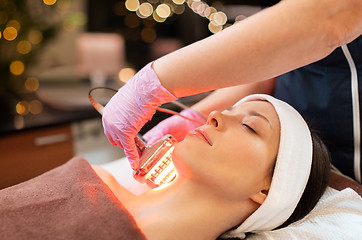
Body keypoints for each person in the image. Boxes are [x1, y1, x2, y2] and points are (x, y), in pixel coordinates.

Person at [1, 95, 331, 239]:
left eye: (250, 127)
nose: (215, 115)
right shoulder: (97, 178)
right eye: (229, 109)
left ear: (268, 190)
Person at [101, 0, 362, 176]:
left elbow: (331, 16)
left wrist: (151, 84)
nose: (217, 117)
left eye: (250, 127)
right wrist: (197, 116)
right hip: (299, 162)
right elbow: (277, 60)